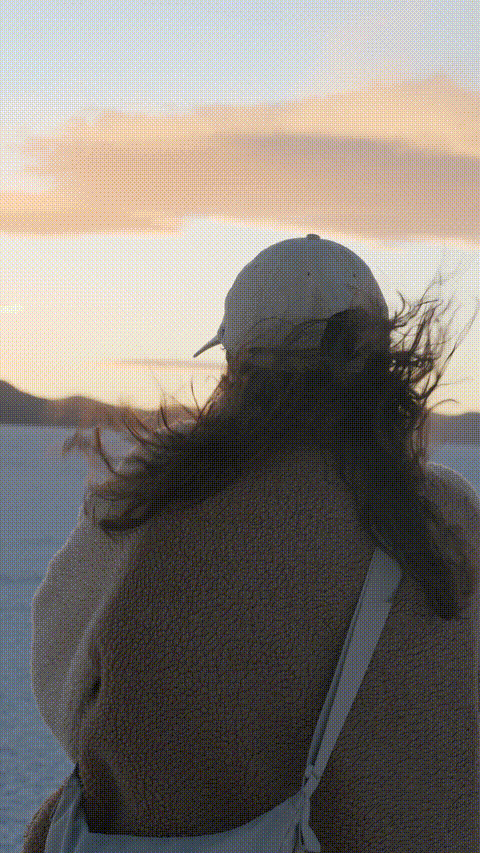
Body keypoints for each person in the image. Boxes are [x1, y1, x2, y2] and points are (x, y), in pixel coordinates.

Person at [23, 235, 479, 852]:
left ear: (237, 367)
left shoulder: (147, 504)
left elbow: (65, 681)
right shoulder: (449, 517)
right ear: (381, 368)